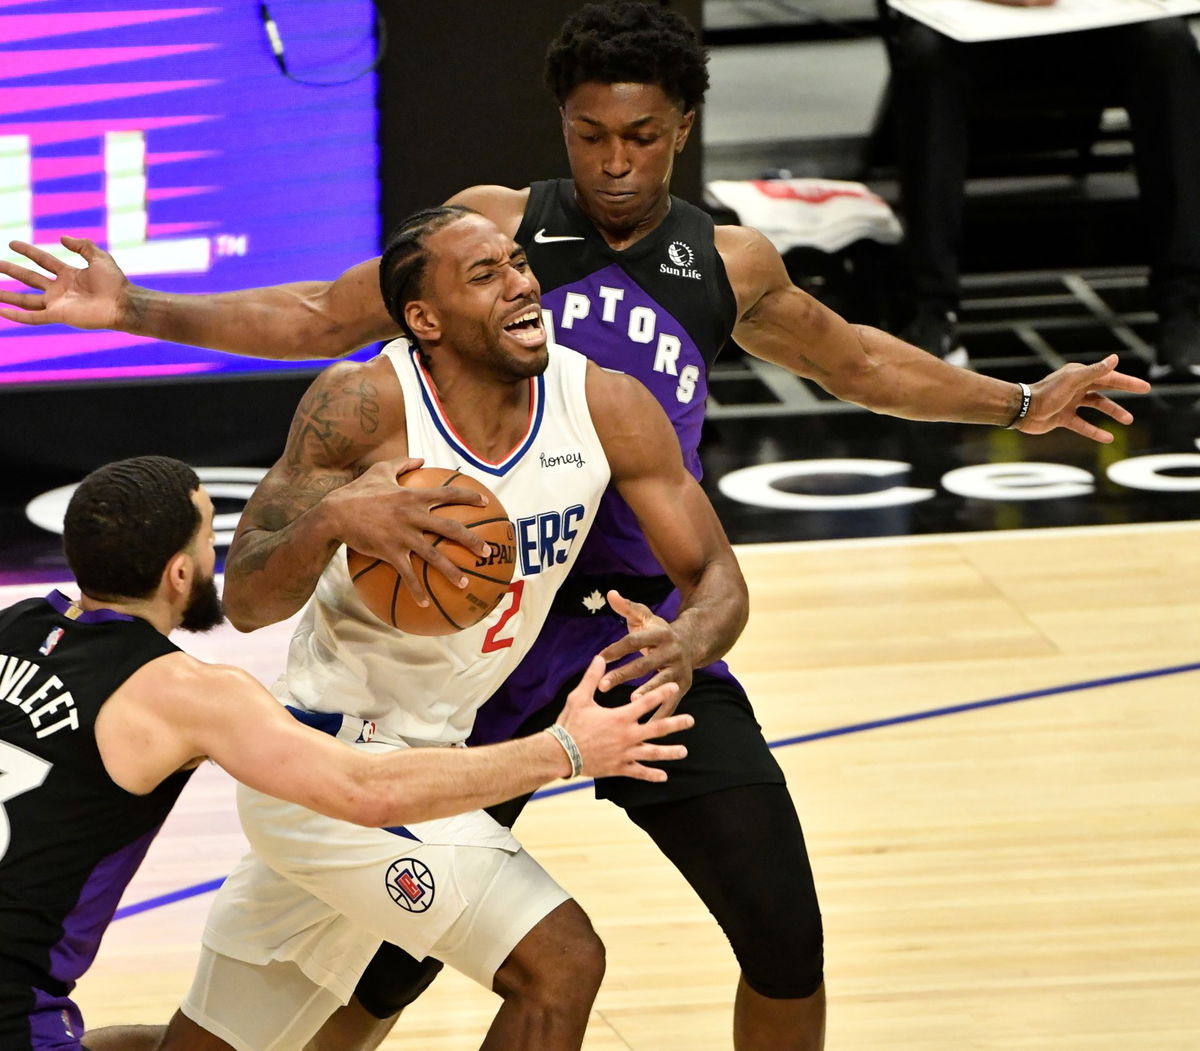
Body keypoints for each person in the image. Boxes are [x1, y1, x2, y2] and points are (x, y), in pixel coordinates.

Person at [0, 5, 1151, 1048]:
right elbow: (315, 313)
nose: (614, 161)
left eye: (641, 136)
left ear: (683, 129)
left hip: (628, 637)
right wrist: (139, 307)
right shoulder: (488, 234)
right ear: (561, 126)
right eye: (591, 134)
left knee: (782, 935)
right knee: (380, 974)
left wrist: (1013, 402)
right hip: (461, 652)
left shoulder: (722, 266)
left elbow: (849, 358)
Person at [116, 204, 745, 1051]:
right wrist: (335, 518)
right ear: (425, 318)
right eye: (486, 275)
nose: (523, 283)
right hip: (326, 762)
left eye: (519, 263)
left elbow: (717, 577)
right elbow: (247, 602)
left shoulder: (602, 403)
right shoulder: (365, 403)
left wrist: (687, 641)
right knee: (561, 963)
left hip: (428, 766)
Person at [0, 454, 696, 1051]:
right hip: (15, 1013)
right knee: (566, 959)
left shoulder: (14, 624)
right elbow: (367, 792)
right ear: (181, 573)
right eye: (212, 534)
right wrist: (566, 749)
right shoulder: (186, 692)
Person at [881, 0, 1200, 375]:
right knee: (926, 54)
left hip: (1098, 21)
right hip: (971, 25)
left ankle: (1184, 308)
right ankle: (931, 309)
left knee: (1169, 42)